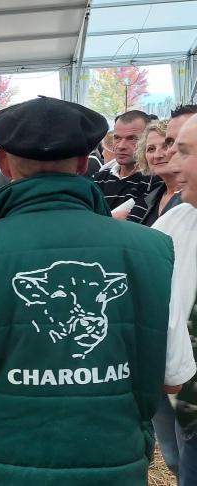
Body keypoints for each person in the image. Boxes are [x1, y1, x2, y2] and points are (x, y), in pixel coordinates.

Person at [0, 96, 195, 485]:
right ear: (82, 164)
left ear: (4, 163)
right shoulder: (153, 251)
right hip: (111, 469)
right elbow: (174, 379)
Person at [153, 106, 197, 484]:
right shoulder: (174, 221)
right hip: (172, 386)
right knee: (177, 461)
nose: (172, 161)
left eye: (183, 151)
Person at [93, 110, 158, 214]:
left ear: (148, 140)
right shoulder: (99, 179)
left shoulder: (154, 181)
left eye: (132, 138)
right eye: (117, 138)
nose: (121, 146)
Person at [127, 121, 182, 226]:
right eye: (151, 149)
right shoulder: (150, 196)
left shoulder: (192, 196)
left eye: (166, 146)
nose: (157, 155)